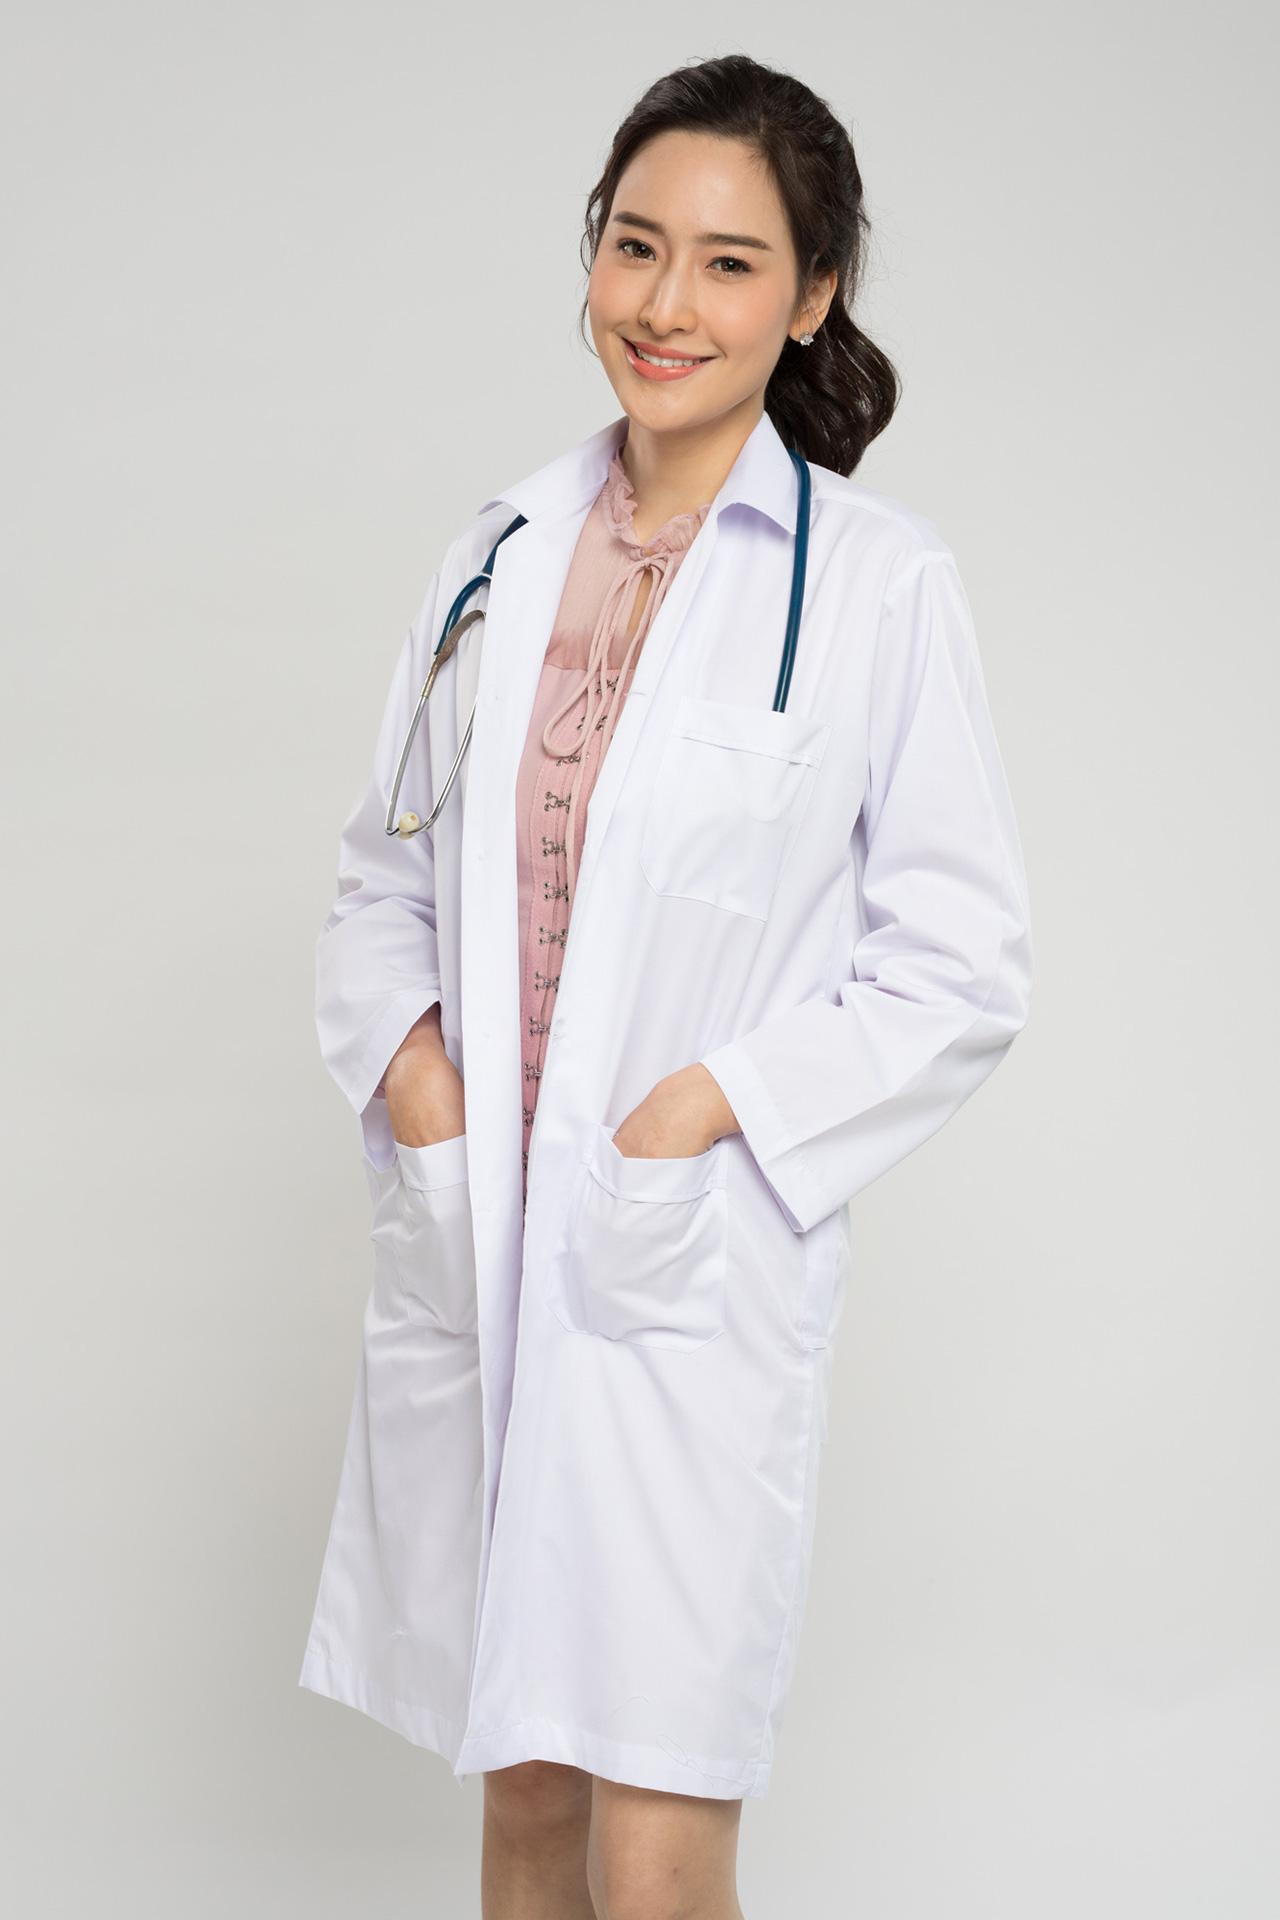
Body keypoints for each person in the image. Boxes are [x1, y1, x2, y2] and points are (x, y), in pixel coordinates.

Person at [298, 51, 1033, 1920]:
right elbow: (381, 878)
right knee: (526, 1805)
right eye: (635, 247)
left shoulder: (872, 587)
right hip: (489, 1243)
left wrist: (704, 1114)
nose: (665, 303)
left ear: (814, 295)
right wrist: (422, 1088)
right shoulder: (496, 555)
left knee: (658, 1843)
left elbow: (959, 963)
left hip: (677, 1273)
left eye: (728, 262)